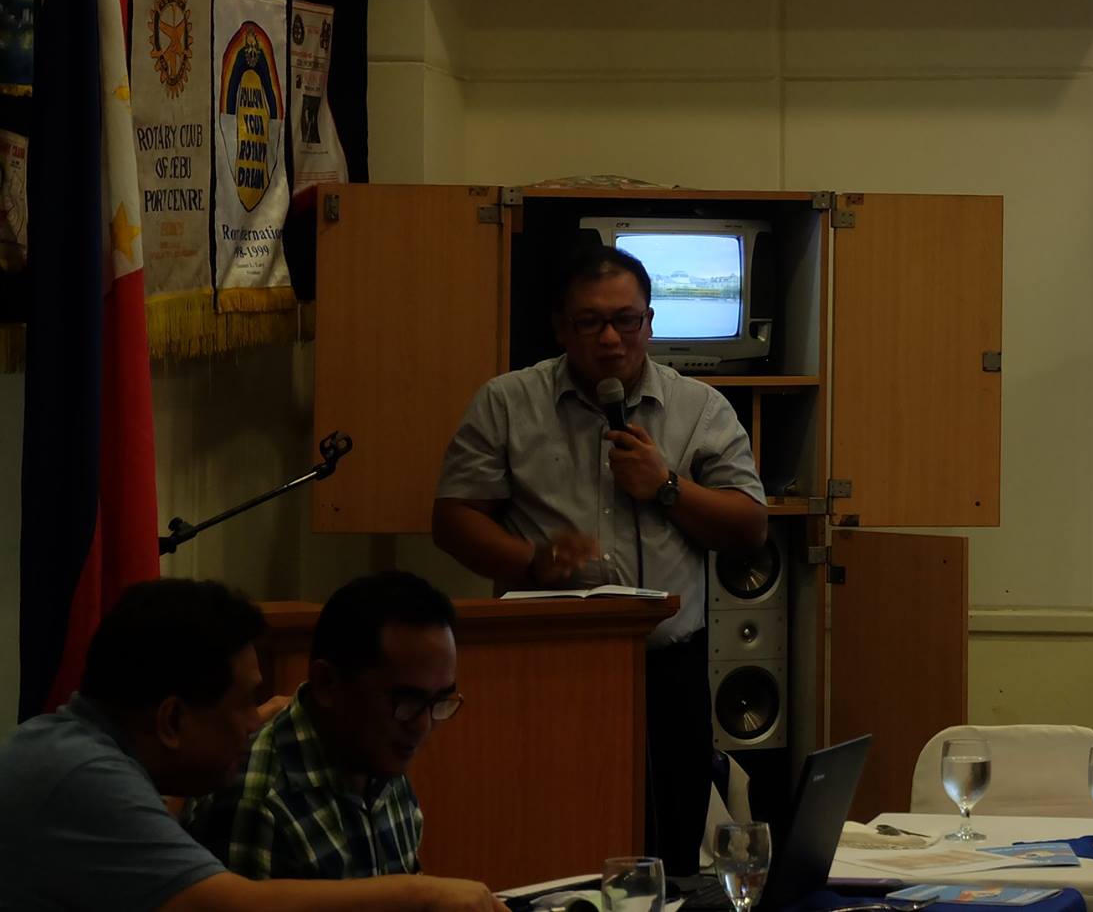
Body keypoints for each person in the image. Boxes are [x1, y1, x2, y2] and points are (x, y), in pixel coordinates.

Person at [431, 243, 768, 874]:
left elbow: (750, 527)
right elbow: (453, 519)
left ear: (650, 321)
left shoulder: (700, 408)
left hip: (668, 669)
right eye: (590, 322)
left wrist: (667, 486)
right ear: (561, 327)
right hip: (544, 663)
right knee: (550, 839)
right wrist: (531, 562)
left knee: (669, 846)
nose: (611, 338)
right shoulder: (507, 402)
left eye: (626, 320)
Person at [0, 577, 504, 912]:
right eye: (245, 702)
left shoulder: (76, 751)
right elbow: (231, 907)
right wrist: (423, 895)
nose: (255, 720)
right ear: (172, 719)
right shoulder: (82, 777)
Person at [185, 572, 461, 878]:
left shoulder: (380, 755)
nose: (423, 726)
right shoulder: (258, 803)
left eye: (439, 701)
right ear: (327, 684)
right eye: (407, 700)